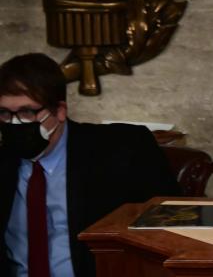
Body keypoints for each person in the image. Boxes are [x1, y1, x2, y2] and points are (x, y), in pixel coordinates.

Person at [0, 53, 180, 277]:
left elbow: (174, 231)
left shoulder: (122, 150)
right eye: (5, 113)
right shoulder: (4, 161)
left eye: (28, 112)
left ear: (60, 111)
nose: (15, 123)